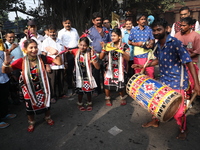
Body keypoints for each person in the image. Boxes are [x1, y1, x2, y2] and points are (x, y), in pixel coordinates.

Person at [133, 18, 200, 140]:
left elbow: (189, 62)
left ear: (166, 29)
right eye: (154, 30)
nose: (156, 32)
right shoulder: (158, 45)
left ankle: (183, 129)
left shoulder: (176, 43)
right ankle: (155, 121)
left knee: (179, 112)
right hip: (164, 81)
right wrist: (144, 65)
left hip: (177, 82)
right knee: (156, 103)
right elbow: (159, 60)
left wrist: (196, 84)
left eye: (159, 29)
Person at [2, 38, 62, 132]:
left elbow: (59, 62)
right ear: (25, 49)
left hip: (42, 86)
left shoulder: (42, 58)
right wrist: (6, 63)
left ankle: (47, 117)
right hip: (28, 89)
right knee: (29, 106)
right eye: (31, 48)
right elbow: (5, 71)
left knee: (45, 103)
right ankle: (31, 122)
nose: (34, 49)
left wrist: (56, 53)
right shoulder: (21, 61)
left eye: (35, 47)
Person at [66, 37, 100, 111]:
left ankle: (89, 102)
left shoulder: (90, 53)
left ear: (88, 46)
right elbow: (67, 52)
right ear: (78, 44)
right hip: (78, 75)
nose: (82, 47)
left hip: (87, 75)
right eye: (80, 45)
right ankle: (80, 103)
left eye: (84, 45)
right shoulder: (75, 51)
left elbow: (97, 67)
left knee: (88, 91)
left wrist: (93, 57)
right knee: (80, 91)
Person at [100, 28, 130, 106]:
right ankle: (107, 98)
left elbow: (128, 58)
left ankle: (122, 97)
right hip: (109, 68)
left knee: (120, 83)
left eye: (114, 36)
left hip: (120, 68)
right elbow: (101, 57)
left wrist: (120, 51)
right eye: (111, 36)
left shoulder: (124, 46)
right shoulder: (108, 45)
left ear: (119, 37)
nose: (112, 37)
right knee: (107, 83)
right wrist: (103, 48)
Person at [175, 17, 200, 100]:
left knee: (191, 85)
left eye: (184, 25)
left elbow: (197, 51)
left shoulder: (196, 36)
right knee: (180, 85)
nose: (181, 27)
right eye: (180, 25)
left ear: (190, 26)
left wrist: (185, 58)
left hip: (192, 64)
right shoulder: (177, 35)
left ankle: (190, 100)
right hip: (179, 65)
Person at [88, 12, 111, 96]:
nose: (99, 21)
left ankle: (107, 89)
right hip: (95, 55)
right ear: (93, 21)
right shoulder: (90, 31)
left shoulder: (106, 30)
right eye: (97, 20)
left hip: (105, 54)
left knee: (106, 72)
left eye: (100, 20)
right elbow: (88, 44)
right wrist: (90, 54)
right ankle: (97, 90)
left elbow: (110, 41)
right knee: (96, 72)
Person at [42, 25, 66, 104]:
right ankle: (53, 96)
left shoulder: (60, 40)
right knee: (52, 81)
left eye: (54, 32)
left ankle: (61, 94)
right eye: (50, 32)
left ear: (56, 32)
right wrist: (47, 65)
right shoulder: (46, 41)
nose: (52, 33)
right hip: (51, 65)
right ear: (48, 33)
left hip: (60, 64)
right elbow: (44, 54)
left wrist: (65, 62)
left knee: (61, 79)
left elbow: (63, 52)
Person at [58, 17, 79, 97]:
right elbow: (60, 44)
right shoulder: (60, 32)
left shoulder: (75, 30)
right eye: (66, 23)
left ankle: (78, 86)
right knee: (69, 71)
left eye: (69, 23)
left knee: (78, 69)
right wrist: (66, 51)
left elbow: (78, 40)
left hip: (76, 51)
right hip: (67, 53)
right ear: (63, 24)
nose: (68, 25)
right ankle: (70, 87)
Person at [128, 14, 155, 78]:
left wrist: (150, 44)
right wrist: (137, 44)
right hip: (138, 55)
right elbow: (129, 42)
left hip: (148, 54)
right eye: (141, 19)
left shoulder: (149, 29)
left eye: (144, 19)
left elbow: (152, 40)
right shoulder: (133, 30)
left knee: (150, 73)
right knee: (139, 74)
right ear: (138, 21)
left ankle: (150, 87)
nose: (143, 21)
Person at [4, 31, 24, 105]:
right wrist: (10, 49)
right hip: (12, 68)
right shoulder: (4, 45)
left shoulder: (17, 44)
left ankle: (22, 98)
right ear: (6, 37)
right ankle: (15, 101)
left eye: (13, 37)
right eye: (10, 37)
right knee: (14, 85)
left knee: (21, 83)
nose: (12, 38)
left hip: (20, 67)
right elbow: (4, 56)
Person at [0, 50, 16, 128]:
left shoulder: (1, 52)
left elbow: (6, 63)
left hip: (4, 78)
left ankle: (4, 114)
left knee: (4, 98)